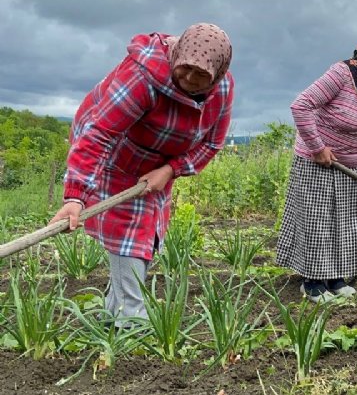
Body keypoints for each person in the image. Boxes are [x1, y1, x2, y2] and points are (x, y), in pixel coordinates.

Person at [49, 23, 234, 327]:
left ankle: (114, 312)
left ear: (217, 74)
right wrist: (75, 196)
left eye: (200, 75)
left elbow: (213, 143)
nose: (188, 78)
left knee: (146, 232)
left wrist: (171, 169)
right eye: (184, 68)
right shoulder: (143, 77)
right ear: (176, 55)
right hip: (115, 154)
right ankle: (130, 319)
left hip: (157, 163)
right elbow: (99, 136)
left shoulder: (221, 90)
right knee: (128, 234)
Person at [276, 32, 357, 303]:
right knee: (318, 222)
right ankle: (313, 282)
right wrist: (317, 147)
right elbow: (301, 106)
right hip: (318, 163)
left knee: (348, 225)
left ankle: (336, 279)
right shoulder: (342, 74)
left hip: (356, 167)